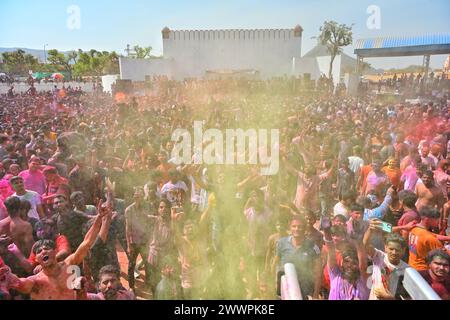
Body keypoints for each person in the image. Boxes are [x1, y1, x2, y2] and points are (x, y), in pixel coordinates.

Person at [0, 201, 110, 300]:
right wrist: (8, 276)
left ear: (54, 252)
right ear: (37, 259)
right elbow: (20, 283)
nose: (43, 251)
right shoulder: (37, 282)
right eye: (39, 251)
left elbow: (86, 243)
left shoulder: (68, 264)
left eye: (47, 249)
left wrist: (99, 218)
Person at [274, 215, 322, 299]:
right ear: (290, 228)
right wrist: (276, 283)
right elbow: (276, 264)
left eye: (300, 227)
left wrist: (315, 295)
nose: (297, 229)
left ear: (305, 228)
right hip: (285, 290)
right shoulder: (282, 243)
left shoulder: (313, 247)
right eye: (294, 226)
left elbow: (318, 273)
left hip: (305, 291)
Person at [363, 220, 409, 299]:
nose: (394, 252)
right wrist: (370, 230)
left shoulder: (407, 270)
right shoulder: (379, 257)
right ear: (385, 248)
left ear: (403, 250)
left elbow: (407, 297)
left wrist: (389, 298)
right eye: (391, 249)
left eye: (397, 250)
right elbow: (365, 245)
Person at [125, 186, 151, 292]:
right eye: (136, 195)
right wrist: (128, 244)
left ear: (142, 197)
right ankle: (131, 286)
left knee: (147, 263)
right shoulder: (129, 210)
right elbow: (128, 228)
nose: (138, 197)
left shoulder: (147, 207)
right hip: (134, 242)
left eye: (140, 195)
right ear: (133, 197)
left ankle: (149, 283)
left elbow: (150, 224)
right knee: (131, 265)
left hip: (145, 241)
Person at [408, 206, 445, 271]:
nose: (438, 222)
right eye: (436, 220)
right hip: (423, 270)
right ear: (427, 219)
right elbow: (444, 255)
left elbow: (434, 235)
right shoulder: (429, 238)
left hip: (411, 266)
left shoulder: (414, 229)